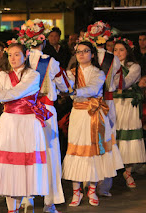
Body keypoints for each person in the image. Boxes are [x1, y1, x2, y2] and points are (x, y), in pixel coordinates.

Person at [0, 41, 53, 213]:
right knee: (9, 168)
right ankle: (11, 210)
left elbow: (17, 92)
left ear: (25, 55)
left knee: (24, 166)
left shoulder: (33, 75)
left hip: (27, 123)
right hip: (8, 122)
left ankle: (27, 204)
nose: (13, 58)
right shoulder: (2, 76)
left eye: (17, 54)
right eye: (10, 55)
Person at [62, 41, 123, 207]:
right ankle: (76, 191)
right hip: (77, 115)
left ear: (93, 54)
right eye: (78, 51)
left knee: (94, 152)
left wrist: (74, 91)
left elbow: (93, 89)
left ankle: (91, 190)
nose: (81, 54)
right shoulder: (70, 73)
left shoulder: (98, 73)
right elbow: (64, 87)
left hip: (93, 115)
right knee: (76, 152)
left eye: (85, 51)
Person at [22, 19, 74, 213]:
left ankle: (27, 199)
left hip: (24, 112)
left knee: (28, 154)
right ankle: (49, 202)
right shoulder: (49, 62)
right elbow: (66, 87)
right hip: (45, 112)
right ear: (42, 41)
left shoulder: (20, 61)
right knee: (49, 156)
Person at [84, 21, 123, 197]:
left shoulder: (87, 58)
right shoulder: (112, 58)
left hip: (88, 104)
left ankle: (87, 180)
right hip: (107, 104)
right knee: (107, 141)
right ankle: (104, 186)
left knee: (88, 141)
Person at [113, 38, 146, 188]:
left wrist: (109, 82)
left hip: (128, 104)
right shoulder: (110, 66)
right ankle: (111, 171)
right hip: (114, 104)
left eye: (121, 50)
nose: (118, 53)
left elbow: (126, 82)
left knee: (128, 138)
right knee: (115, 137)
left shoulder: (135, 67)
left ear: (128, 51)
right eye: (115, 50)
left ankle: (128, 172)